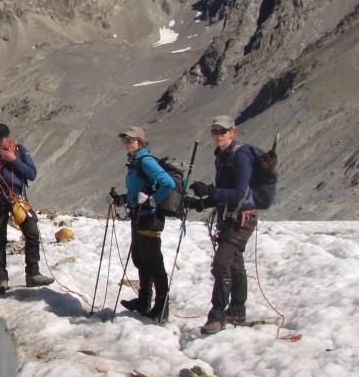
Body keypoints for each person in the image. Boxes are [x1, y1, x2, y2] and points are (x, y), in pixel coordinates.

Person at [184, 115, 257, 335]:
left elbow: (239, 192)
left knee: (221, 263)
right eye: (214, 131)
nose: (218, 136)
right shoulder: (221, 157)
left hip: (242, 217)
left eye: (222, 131)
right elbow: (222, 194)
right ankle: (237, 311)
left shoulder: (241, 155)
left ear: (233, 132)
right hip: (231, 217)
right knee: (234, 264)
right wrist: (200, 203)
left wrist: (209, 190)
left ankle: (217, 316)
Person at [0, 123, 53, 293]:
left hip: (18, 199)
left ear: (9, 136)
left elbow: (32, 174)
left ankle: (33, 274)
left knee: (32, 233)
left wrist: (14, 161)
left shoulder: (21, 151)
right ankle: (1, 278)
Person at [108, 126, 175, 321]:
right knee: (140, 258)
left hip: (150, 218)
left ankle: (162, 307)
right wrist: (121, 199)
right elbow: (137, 192)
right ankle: (144, 301)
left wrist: (152, 200)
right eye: (125, 140)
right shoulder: (136, 162)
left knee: (153, 261)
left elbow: (167, 183)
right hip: (140, 216)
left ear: (140, 142)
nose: (127, 143)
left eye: (131, 140)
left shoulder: (146, 162)